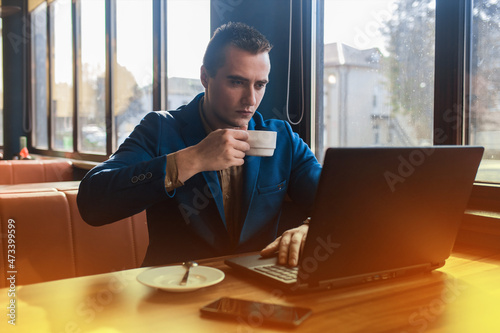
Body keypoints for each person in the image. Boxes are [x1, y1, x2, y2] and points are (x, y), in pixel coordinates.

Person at [77, 22, 321, 268]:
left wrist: (311, 227)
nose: (251, 99)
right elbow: (92, 201)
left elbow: (338, 199)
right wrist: (193, 159)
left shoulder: (282, 137)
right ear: (205, 77)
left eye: (260, 85)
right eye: (236, 82)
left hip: (257, 286)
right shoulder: (160, 129)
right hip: (175, 289)